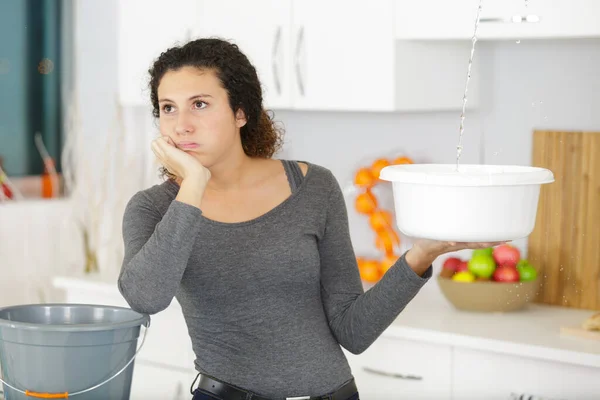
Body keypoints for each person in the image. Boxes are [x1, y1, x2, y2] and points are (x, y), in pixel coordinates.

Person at [118, 38, 502, 400]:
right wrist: (194, 184)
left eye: (199, 104)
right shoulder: (154, 208)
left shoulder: (313, 187)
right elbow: (146, 297)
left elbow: (354, 330)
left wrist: (422, 255)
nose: (181, 123)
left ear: (240, 112)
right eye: (168, 108)